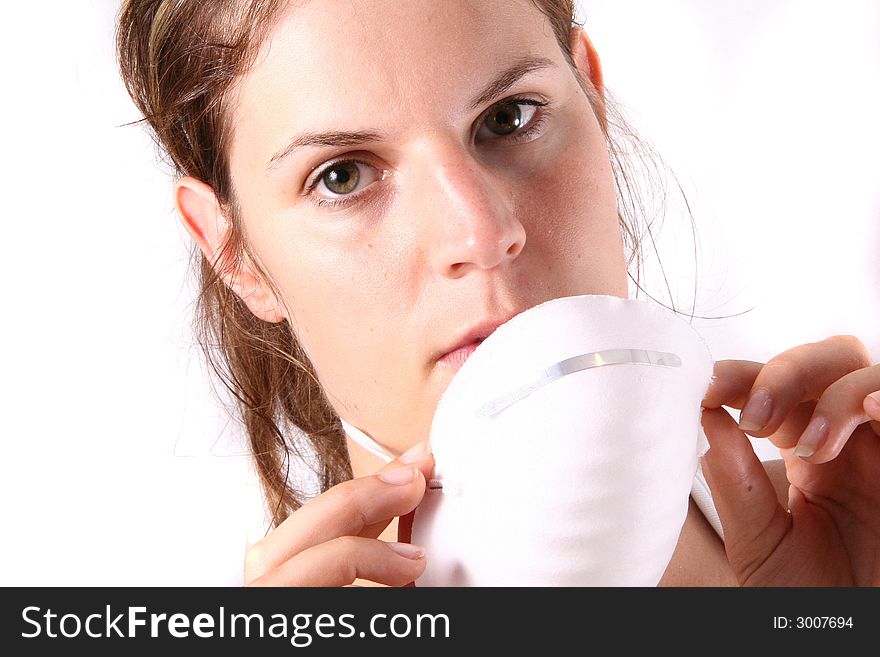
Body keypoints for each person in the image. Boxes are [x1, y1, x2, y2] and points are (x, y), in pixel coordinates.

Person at [116, 0, 880, 586]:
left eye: (508, 118)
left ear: (594, 102)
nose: (481, 233)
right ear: (235, 251)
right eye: (342, 175)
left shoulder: (848, 538)